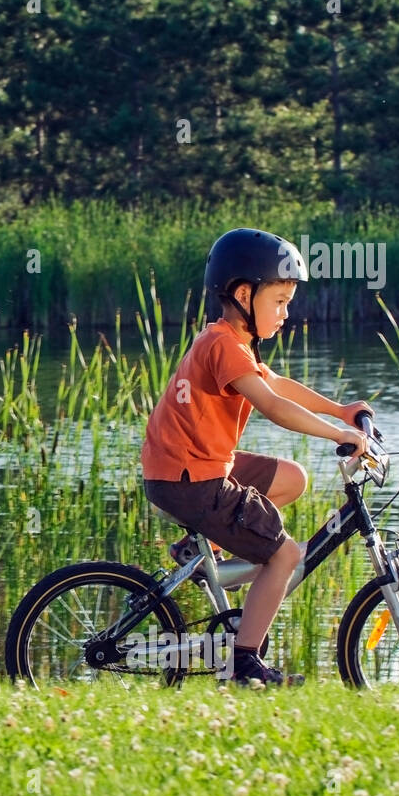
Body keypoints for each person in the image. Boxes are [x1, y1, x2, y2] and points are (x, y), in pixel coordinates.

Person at [140, 227, 372, 686]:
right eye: (280, 301)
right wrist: (339, 433)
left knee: (291, 478)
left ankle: (202, 552)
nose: (286, 312)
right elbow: (274, 406)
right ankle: (244, 663)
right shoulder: (224, 345)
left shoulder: (230, 342)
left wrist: (341, 410)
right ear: (245, 294)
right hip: (191, 479)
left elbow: (278, 386)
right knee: (284, 556)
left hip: (193, 466)